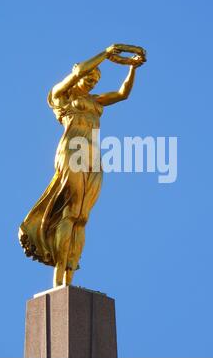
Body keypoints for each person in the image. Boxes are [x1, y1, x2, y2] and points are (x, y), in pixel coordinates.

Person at [19, 44, 146, 287]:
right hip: (71, 152)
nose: (92, 81)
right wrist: (105, 55)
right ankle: (59, 275)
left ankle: (70, 273)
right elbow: (77, 72)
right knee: (70, 211)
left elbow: (122, 94)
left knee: (82, 217)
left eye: (96, 79)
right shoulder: (61, 97)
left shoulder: (96, 101)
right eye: (90, 75)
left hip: (93, 157)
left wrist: (133, 68)